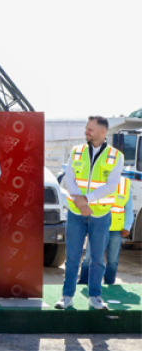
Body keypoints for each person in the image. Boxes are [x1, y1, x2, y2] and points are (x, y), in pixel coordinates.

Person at [55, 116, 123, 310]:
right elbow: (69, 179)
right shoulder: (76, 151)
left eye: (90, 129)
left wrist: (87, 200)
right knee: (72, 258)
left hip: (101, 215)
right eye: (86, 128)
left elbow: (111, 186)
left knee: (97, 259)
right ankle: (67, 296)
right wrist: (80, 202)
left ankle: (95, 297)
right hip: (76, 213)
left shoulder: (115, 156)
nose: (86, 132)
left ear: (102, 132)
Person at [78, 177, 133, 285]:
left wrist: (127, 226)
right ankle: (83, 281)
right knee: (89, 257)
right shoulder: (97, 180)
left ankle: (109, 283)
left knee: (112, 260)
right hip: (97, 227)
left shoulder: (124, 183)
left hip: (116, 229)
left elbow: (129, 208)